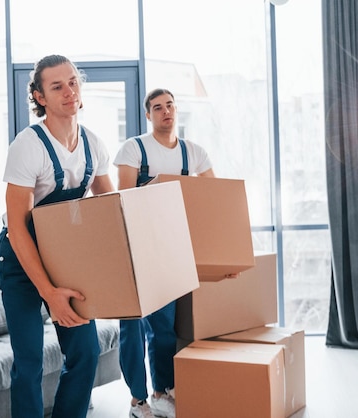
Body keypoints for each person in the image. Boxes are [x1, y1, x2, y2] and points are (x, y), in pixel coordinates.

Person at [0, 54, 115, 418]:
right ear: (40, 96)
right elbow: (18, 228)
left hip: (65, 256)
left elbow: (111, 212)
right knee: (30, 360)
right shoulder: (27, 146)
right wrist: (49, 293)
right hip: (20, 257)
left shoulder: (94, 144)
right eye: (57, 86)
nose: (69, 91)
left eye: (73, 82)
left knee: (85, 353)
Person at [113, 88, 215, 418]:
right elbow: (123, 199)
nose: (165, 111)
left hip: (170, 249)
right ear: (149, 115)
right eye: (157, 107)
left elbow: (212, 196)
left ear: (176, 110)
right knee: (131, 328)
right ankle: (136, 400)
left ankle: (161, 392)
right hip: (134, 247)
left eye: (170, 105)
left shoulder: (193, 153)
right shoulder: (134, 148)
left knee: (164, 328)